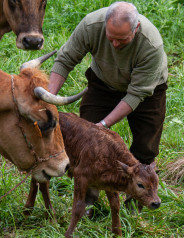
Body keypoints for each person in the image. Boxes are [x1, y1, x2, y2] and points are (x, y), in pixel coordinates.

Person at [48, 1, 168, 213]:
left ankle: (137, 200)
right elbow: (65, 59)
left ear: (136, 29)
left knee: (146, 145)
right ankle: (88, 198)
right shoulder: (91, 26)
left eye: (121, 40)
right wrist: (49, 99)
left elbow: (135, 94)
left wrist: (103, 125)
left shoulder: (151, 45)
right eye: (110, 37)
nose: (114, 44)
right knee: (88, 142)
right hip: (103, 82)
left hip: (147, 91)